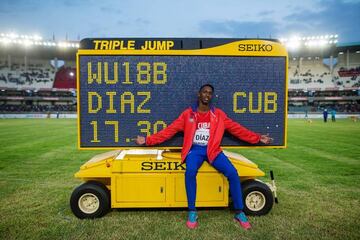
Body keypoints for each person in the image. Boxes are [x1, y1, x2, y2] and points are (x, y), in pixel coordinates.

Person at [135, 84, 272, 230]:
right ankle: (192, 211)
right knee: (190, 172)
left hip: (213, 150)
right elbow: (169, 131)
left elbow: (237, 129)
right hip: (195, 151)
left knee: (232, 173)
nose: (207, 95)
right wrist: (148, 140)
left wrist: (257, 138)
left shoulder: (219, 115)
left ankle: (239, 211)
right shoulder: (187, 115)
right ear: (199, 94)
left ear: (211, 96)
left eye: (210, 93)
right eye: (204, 92)